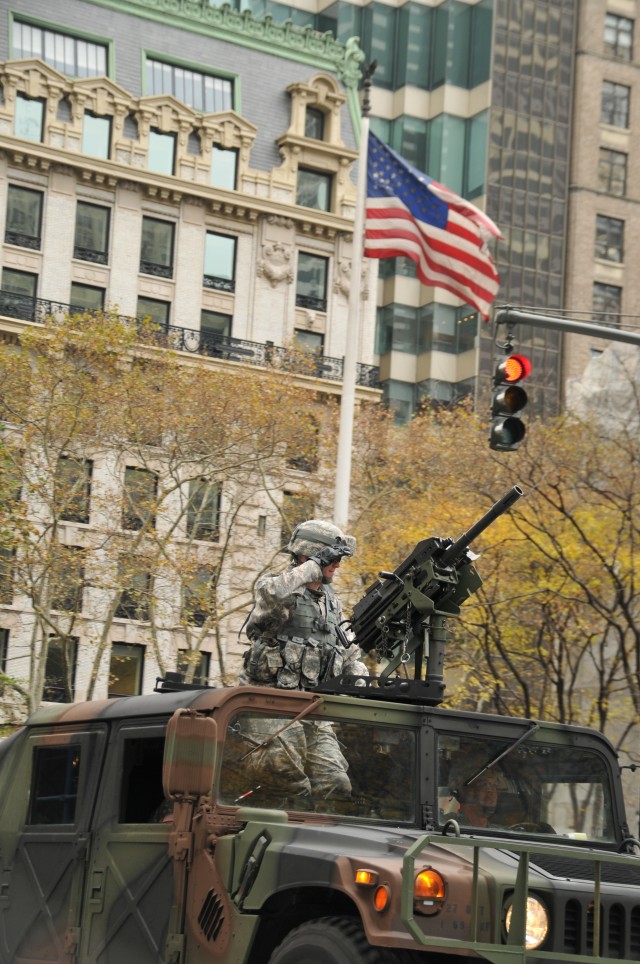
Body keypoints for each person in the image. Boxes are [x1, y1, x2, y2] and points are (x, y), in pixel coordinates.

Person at [238, 519, 368, 802]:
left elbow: (348, 649)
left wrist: (357, 671)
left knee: (336, 784)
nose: (337, 565)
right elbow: (269, 594)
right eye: (332, 558)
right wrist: (310, 568)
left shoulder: (332, 602)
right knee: (285, 777)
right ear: (308, 554)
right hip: (269, 706)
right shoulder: (277, 590)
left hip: (313, 712)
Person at [445, 763, 503, 828]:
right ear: (466, 790)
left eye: (494, 786)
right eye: (484, 785)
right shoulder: (450, 827)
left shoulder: (502, 833)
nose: (492, 792)